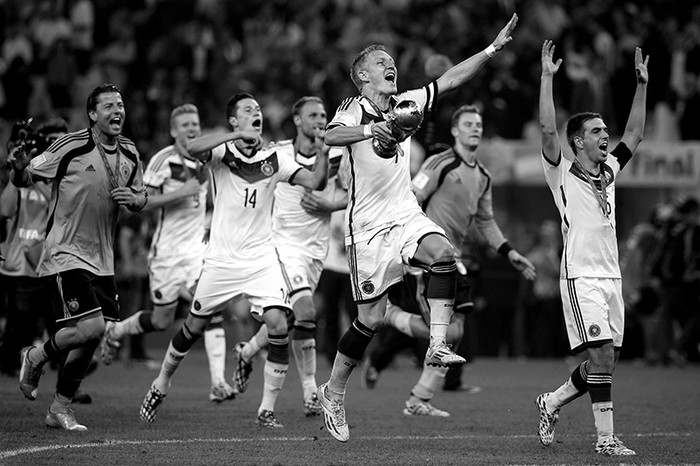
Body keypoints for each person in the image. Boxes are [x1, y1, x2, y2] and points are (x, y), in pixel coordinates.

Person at [316, 13, 520, 443]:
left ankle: (438, 343)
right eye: (380, 61)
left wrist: (490, 50)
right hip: (367, 226)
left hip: (404, 214)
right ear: (361, 76)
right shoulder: (354, 108)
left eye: (391, 59)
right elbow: (331, 138)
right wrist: (375, 128)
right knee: (368, 320)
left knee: (445, 256)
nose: (390, 64)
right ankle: (333, 391)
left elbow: (449, 80)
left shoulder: (407, 102)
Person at [139, 92, 329, 429]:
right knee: (193, 327)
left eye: (258, 109)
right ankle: (160, 385)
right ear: (234, 120)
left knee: (279, 324)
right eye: (247, 110)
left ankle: (266, 410)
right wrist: (236, 137)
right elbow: (194, 148)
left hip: (260, 259)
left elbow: (315, 181)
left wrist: (324, 156)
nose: (256, 112)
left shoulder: (275, 158)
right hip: (221, 260)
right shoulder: (221, 152)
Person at [363, 105, 536, 417]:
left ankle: (420, 398)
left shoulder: (482, 176)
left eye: (478, 124)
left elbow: (486, 222)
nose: (474, 129)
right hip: (429, 259)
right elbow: (411, 198)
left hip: (456, 262)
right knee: (443, 332)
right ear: (455, 131)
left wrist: (510, 252)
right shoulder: (440, 162)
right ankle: (391, 316)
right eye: (468, 123)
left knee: (453, 334)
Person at [11, 83, 147, 431]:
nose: (117, 111)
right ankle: (36, 355)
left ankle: (59, 408)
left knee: (91, 336)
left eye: (120, 104)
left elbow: (141, 196)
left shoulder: (130, 153)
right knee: (93, 326)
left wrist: (135, 201)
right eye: (108, 107)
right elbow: (26, 177)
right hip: (65, 252)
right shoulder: (70, 146)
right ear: (92, 114)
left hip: (102, 258)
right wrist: (17, 168)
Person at [535, 40, 648, 456]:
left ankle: (551, 402)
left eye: (604, 130)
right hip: (580, 274)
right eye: (597, 131)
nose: (606, 137)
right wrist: (547, 78)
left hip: (610, 275)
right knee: (600, 356)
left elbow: (634, 133)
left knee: (605, 364)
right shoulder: (561, 173)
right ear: (578, 142)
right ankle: (605, 440)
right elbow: (548, 129)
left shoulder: (609, 172)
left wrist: (642, 85)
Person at [100, 103, 235, 402]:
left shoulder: (206, 159)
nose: (191, 129)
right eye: (185, 124)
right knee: (161, 320)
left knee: (210, 308)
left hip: (197, 253)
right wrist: (179, 193)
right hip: (166, 256)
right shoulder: (163, 159)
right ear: (173, 130)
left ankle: (217, 383)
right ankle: (118, 331)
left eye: (195, 124)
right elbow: (140, 203)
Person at [230, 96, 346, 417]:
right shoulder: (277, 152)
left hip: (315, 249)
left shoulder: (337, 153)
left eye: (324, 114)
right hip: (282, 245)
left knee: (290, 319)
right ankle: (310, 392)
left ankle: (248, 350)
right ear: (297, 120)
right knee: (306, 310)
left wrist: (329, 205)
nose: (320, 120)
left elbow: (351, 193)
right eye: (313, 115)